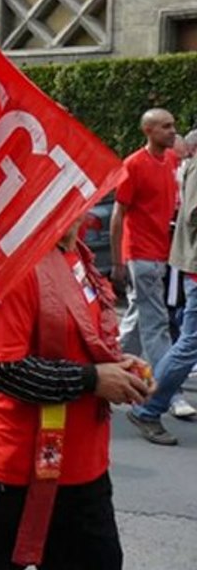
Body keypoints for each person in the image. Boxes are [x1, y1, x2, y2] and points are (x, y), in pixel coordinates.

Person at [0, 218, 151, 570]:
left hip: (83, 467)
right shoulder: (14, 262)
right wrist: (93, 379)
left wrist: (120, 365)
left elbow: (85, 340)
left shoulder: (78, 255)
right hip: (15, 469)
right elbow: (2, 370)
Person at [111, 108, 196, 421]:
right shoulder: (133, 165)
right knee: (157, 323)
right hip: (141, 255)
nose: (173, 131)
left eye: (173, 125)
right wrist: (119, 263)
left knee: (137, 316)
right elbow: (118, 216)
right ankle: (167, 393)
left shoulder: (173, 162)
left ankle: (109, 364)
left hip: (166, 254)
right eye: (165, 127)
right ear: (148, 131)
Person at [127, 143, 197, 446]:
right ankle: (148, 407)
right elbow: (193, 214)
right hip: (170, 262)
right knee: (187, 342)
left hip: (167, 259)